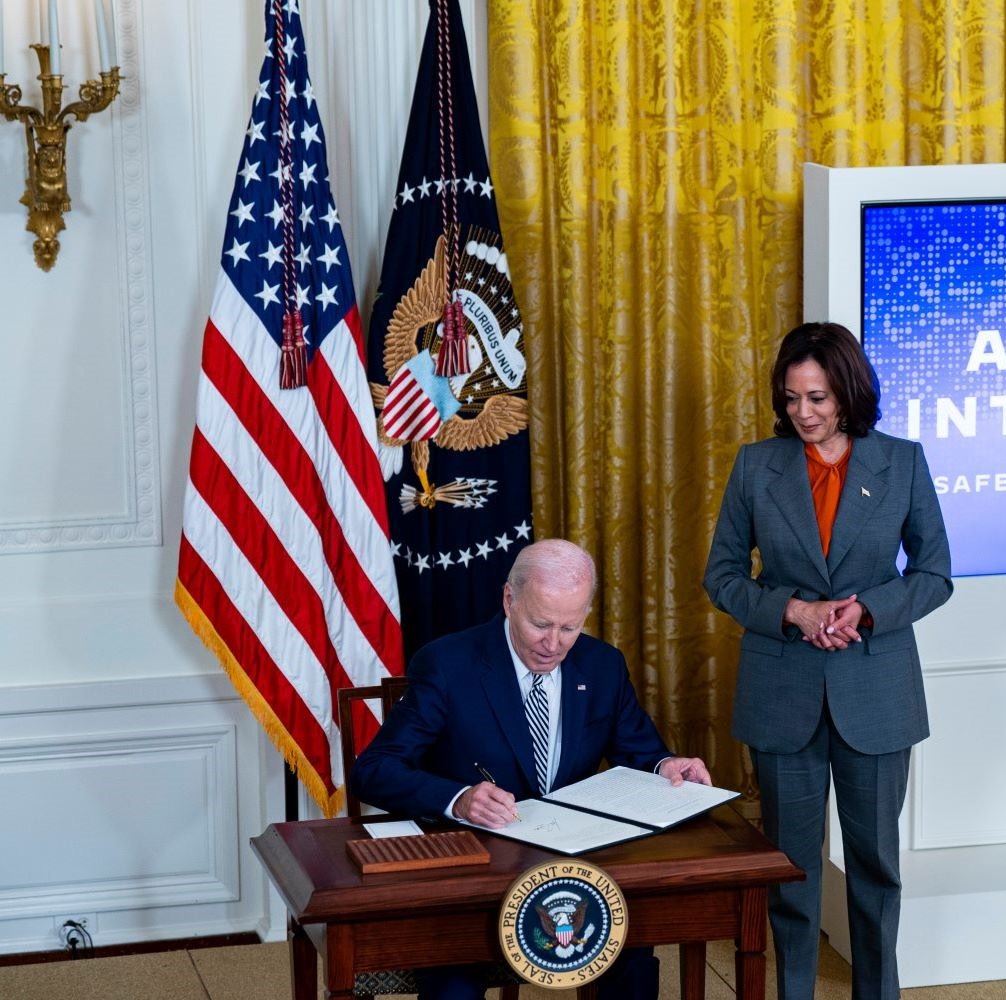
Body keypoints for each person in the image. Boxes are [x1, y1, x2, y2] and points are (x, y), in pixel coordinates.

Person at [703, 321, 953, 1000]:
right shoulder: (757, 466)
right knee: (791, 869)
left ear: (847, 394)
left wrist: (866, 609)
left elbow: (934, 574)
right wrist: (795, 611)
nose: (802, 413)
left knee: (875, 868)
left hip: (876, 694)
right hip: (784, 693)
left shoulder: (901, 462)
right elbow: (723, 576)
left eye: (816, 398)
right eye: (790, 399)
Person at [352, 538, 711, 1000]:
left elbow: (639, 750)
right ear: (509, 599)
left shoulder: (602, 665)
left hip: (578, 868)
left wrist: (667, 764)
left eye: (569, 626)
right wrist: (457, 799)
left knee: (634, 959)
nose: (553, 643)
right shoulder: (448, 665)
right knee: (454, 990)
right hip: (473, 878)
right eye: (540, 623)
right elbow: (375, 770)